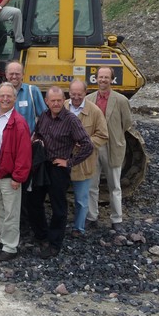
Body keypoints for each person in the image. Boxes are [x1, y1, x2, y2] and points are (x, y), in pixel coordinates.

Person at [30, 86, 93, 259]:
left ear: (63, 99)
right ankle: (42, 235)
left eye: (59, 100)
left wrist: (70, 162)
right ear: (47, 101)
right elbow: (38, 134)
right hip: (42, 166)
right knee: (34, 201)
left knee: (59, 208)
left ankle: (54, 244)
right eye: (53, 101)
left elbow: (88, 145)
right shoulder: (44, 116)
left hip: (59, 168)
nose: (56, 103)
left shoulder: (71, 120)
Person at [0, 82, 32, 261]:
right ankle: (4, 238)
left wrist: (18, 177)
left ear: (15, 99)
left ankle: (10, 248)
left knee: (11, 212)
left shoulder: (19, 123)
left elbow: (24, 153)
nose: (5, 99)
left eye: (8, 96)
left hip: (9, 176)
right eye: (2, 96)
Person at [86, 67, 133, 232]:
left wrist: (114, 134)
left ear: (112, 80)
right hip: (94, 147)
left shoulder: (120, 100)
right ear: (96, 79)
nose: (103, 80)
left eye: (106, 77)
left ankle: (116, 219)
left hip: (112, 147)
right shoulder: (89, 99)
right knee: (92, 184)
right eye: (101, 77)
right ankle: (92, 217)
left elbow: (126, 123)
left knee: (114, 185)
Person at [65, 80, 108, 237]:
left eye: (79, 94)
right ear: (69, 93)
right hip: (62, 160)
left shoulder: (95, 111)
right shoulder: (62, 107)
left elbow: (103, 135)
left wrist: (86, 142)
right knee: (59, 195)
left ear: (85, 93)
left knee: (81, 199)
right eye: (73, 94)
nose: (76, 97)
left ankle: (79, 228)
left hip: (83, 161)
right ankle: (62, 224)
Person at [0, 60, 45, 135]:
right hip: (5, 141)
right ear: (6, 74)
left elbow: (45, 117)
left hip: (28, 141)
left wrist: (37, 135)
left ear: (23, 74)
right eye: (11, 74)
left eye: (17, 74)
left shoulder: (33, 91)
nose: (14, 76)